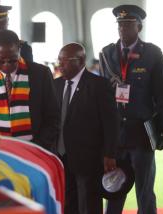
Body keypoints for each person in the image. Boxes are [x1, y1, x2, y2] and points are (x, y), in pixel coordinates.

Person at [99, 5, 163, 214]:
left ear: (138, 26)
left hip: (141, 134)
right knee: (113, 190)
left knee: (144, 192)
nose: (123, 29)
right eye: (120, 24)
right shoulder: (107, 53)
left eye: (128, 24)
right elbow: (102, 98)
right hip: (114, 136)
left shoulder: (152, 53)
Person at [54, 43, 119, 214]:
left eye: (65, 60)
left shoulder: (99, 85)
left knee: (88, 205)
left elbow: (111, 123)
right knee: (67, 205)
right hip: (60, 158)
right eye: (59, 60)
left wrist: (110, 154)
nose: (60, 64)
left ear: (81, 60)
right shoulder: (55, 85)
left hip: (88, 160)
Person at [0, 29, 59, 151]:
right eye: (0, 60)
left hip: (35, 151)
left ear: (19, 50)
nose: (7, 65)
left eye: (12, 60)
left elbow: (52, 118)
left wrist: (36, 147)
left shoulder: (40, 74)